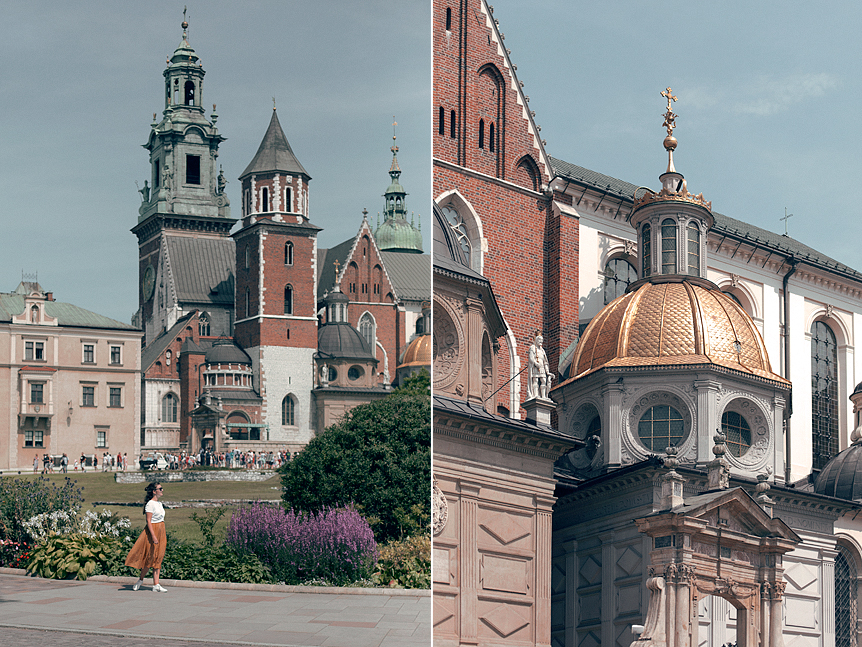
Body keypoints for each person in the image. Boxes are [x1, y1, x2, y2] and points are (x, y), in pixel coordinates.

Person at [125, 482, 168, 593]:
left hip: (161, 529)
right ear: (154, 491)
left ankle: (156, 584)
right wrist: (153, 536)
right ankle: (140, 580)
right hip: (152, 531)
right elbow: (148, 521)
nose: (162, 490)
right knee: (150, 558)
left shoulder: (159, 504)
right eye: (160, 488)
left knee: (158, 557)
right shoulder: (150, 504)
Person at [527, 333, 553, 400]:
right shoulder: (533, 348)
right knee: (535, 380)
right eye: (539, 340)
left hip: (542, 368)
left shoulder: (542, 350)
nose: (541, 342)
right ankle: (535, 394)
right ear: (536, 340)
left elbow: (545, 362)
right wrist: (535, 363)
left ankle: (543, 396)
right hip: (535, 367)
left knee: (544, 380)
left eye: (542, 340)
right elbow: (531, 358)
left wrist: (547, 372)